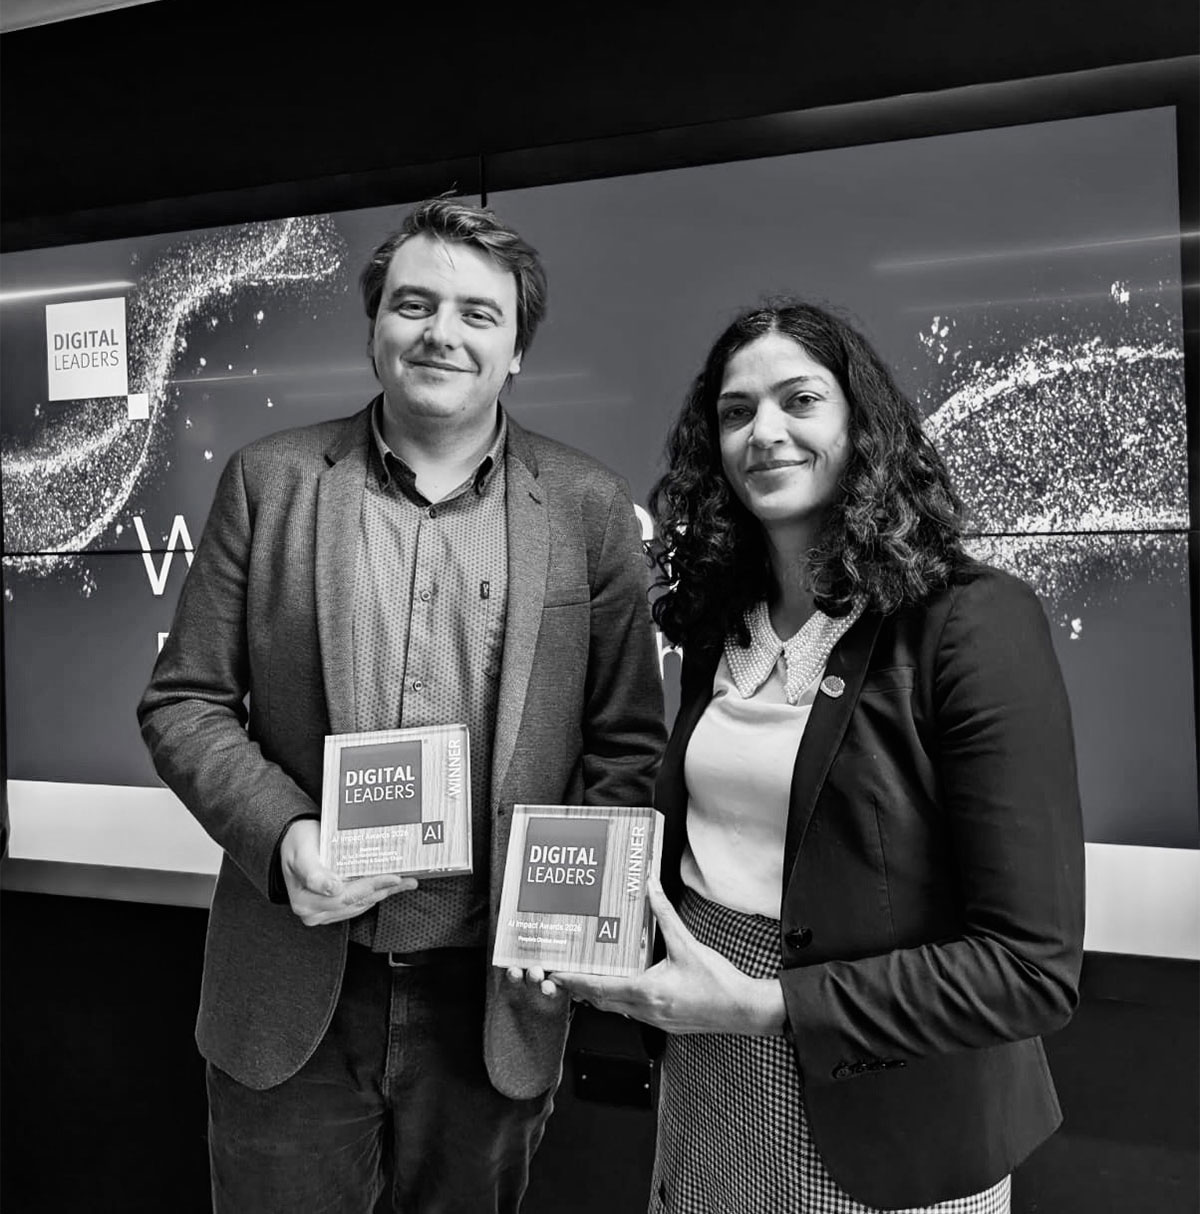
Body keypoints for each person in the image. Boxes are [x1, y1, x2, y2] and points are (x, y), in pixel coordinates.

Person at [138, 197, 666, 1214]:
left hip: (492, 997)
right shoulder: (271, 481)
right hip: (294, 985)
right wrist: (284, 833)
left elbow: (624, 735)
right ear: (375, 324)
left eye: (479, 313)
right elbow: (185, 700)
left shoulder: (591, 506)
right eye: (415, 303)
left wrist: (575, 922)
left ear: (516, 349)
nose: (442, 331)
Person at [548, 300, 1085, 1212]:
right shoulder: (725, 624)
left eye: (801, 400)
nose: (766, 433)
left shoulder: (973, 621)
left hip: (882, 1105)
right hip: (705, 1065)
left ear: (861, 425)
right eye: (735, 411)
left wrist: (767, 1004)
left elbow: (1028, 970)